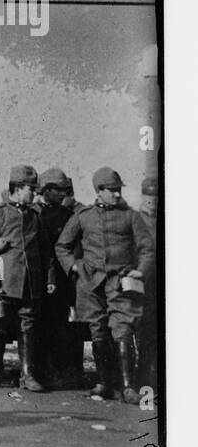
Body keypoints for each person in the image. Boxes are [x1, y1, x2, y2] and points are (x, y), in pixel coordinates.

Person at [55, 167, 156, 404]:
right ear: (98, 191)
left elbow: (147, 249)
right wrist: (74, 266)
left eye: (118, 190)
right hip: (90, 285)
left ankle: (128, 386)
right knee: (98, 331)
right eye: (111, 190)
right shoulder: (83, 216)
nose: (117, 195)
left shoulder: (131, 216)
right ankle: (104, 383)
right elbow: (62, 246)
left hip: (120, 283)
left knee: (123, 330)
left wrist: (139, 271)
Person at [0, 165, 55, 391]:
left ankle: (27, 375)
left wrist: (49, 278)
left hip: (30, 283)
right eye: (31, 189)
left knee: (27, 325)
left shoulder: (34, 216)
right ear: (18, 189)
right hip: (3, 282)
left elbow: (45, 251)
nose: (35, 194)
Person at [36, 167, 79, 388]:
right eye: (58, 190)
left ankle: (58, 371)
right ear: (47, 190)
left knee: (58, 325)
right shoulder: (35, 213)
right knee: (38, 325)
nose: (63, 194)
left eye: (64, 189)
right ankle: (38, 370)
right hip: (35, 276)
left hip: (60, 281)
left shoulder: (67, 216)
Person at [136, 175, 159, 392]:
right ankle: (142, 377)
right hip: (142, 284)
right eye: (148, 196)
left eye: (155, 196)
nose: (152, 201)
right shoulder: (136, 219)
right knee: (142, 333)